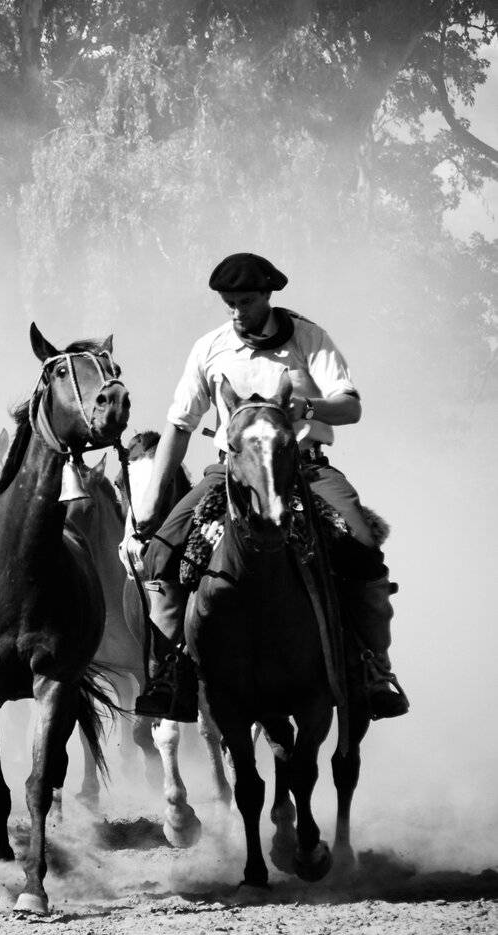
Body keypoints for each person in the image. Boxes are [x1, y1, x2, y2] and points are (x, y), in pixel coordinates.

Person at [131, 252, 410, 722]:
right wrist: (151, 510)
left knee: (362, 545)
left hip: (305, 468)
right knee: (160, 555)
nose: (237, 310)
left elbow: (351, 406)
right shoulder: (210, 348)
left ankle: (373, 668)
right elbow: (179, 427)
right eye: (229, 303)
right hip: (233, 471)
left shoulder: (308, 337)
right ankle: (169, 675)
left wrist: (310, 409)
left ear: (267, 295)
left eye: (245, 300)